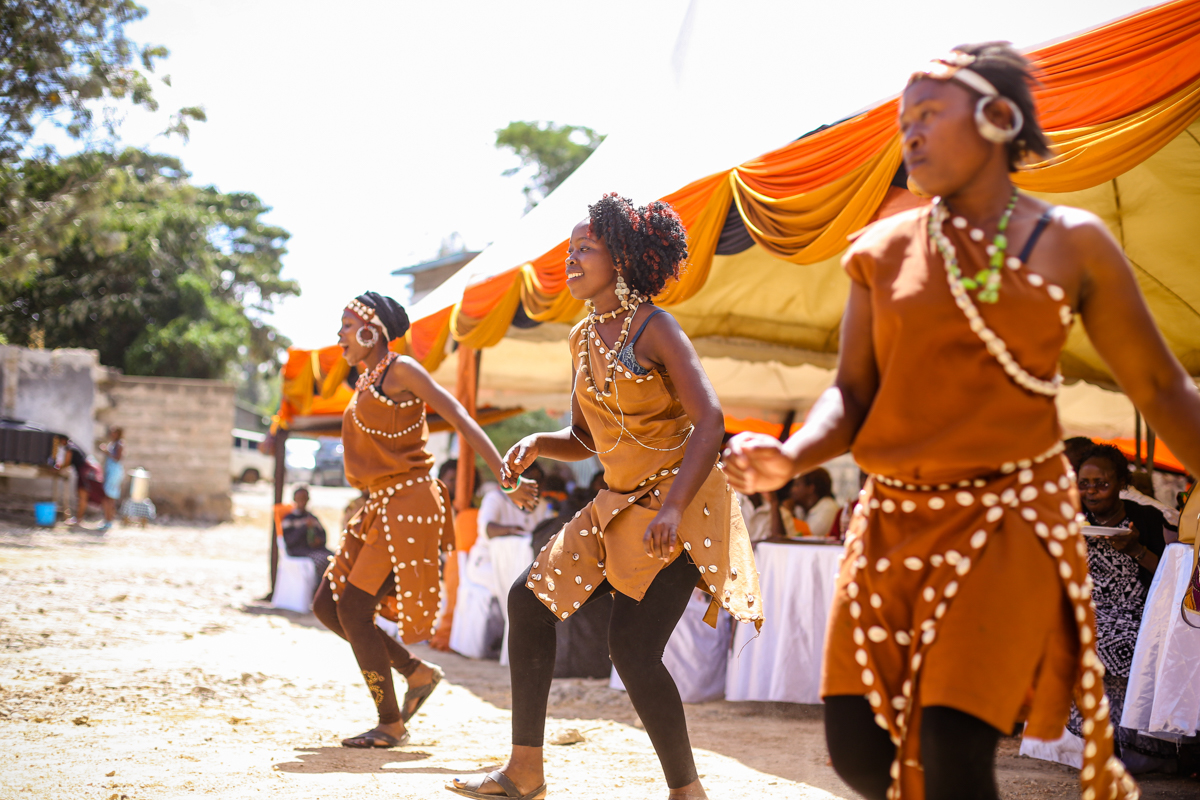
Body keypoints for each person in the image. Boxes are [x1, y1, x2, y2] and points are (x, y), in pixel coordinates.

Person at [724, 42, 1200, 800]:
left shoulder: (1072, 241)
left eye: (927, 116)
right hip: (890, 527)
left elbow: (1161, 386)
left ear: (999, 119)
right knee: (856, 751)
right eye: (903, 120)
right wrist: (791, 454)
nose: (907, 133)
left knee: (951, 749)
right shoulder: (879, 251)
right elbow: (852, 392)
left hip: (1004, 529)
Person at [449, 194, 760, 800]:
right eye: (569, 249)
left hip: (682, 505)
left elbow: (712, 421)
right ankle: (525, 772)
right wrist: (540, 442)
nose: (571, 259)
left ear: (621, 260)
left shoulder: (657, 327)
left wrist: (671, 508)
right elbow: (587, 437)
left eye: (584, 249)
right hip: (617, 501)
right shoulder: (582, 337)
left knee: (633, 650)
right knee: (529, 601)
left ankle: (687, 791)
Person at [311, 291, 537, 750]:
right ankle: (416, 672)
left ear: (373, 330)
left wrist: (507, 477)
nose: (340, 336)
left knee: (352, 609)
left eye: (347, 326)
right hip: (379, 504)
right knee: (325, 605)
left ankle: (390, 722)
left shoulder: (402, 370)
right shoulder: (364, 381)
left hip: (408, 505)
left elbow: (459, 416)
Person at [1068, 444, 1176, 771]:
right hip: (1089, 613)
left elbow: (1171, 578)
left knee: (1107, 642)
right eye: (1084, 483)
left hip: (1139, 615)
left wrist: (1136, 548)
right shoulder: (1073, 518)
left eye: (1101, 483)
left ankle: (1110, 747)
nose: (1091, 491)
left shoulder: (1147, 518)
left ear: (1120, 482)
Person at [280, 485, 335, 583]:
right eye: (299, 499)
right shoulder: (289, 519)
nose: (302, 502)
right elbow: (289, 541)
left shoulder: (312, 518)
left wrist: (319, 540)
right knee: (322, 561)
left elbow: (323, 536)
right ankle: (318, 588)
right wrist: (304, 527)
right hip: (298, 550)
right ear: (294, 500)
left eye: (304, 499)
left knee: (335, 558)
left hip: (314, 549)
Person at [56, 438, 107, 529]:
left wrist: (57, 467)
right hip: (87, 471)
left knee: (83, 497)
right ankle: (79, 518)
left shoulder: (70, 449)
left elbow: (66, 464)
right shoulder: (75, 447)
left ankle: (79, 519)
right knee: (83, 497)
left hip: (86, 473)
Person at [791, 468, 840, 538]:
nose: (792, 490)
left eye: (797, 485)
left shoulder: (828, 508)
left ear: (811, 488)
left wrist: (789, 514)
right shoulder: (802, 509)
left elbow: (807, 538)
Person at [100, 426, 124, 532]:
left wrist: (106, 452)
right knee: (109, 497)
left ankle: (109, 520)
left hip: (115, 472)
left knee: (109, 497)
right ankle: (108, 519)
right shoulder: (113, 444)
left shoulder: (120, 444)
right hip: (110, 472)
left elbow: (117, 458)